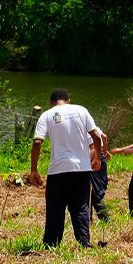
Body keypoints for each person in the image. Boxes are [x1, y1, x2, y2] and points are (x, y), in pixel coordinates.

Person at [29, 88, 103, 249]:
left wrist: (33, 170)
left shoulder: (46, 115)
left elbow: (36, 143)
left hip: (58, 171)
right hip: (82, 170)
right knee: (80, 207)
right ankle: (84, 243)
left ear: (51, 103)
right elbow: (97, 137)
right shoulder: (81, 110)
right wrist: (97, 157)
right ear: (68, 100)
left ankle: (51, 245)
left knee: (56, 207)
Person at [89, 125, 112, 223]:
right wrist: (104, 151)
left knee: (95, 192)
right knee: (90, 192)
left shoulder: (85, 128)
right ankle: (88, 219)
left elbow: (94, 147)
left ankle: (105, 220)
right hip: (98, 156)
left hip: (93, 158)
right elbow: (104, 137)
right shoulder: (93, 126)